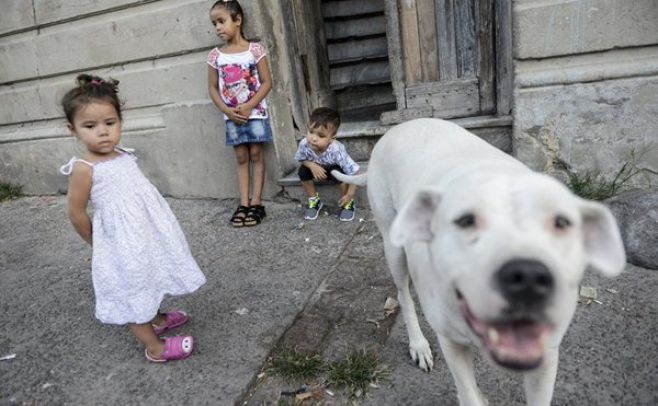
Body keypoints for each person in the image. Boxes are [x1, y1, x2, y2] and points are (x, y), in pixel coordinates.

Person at [59, 74, 207, 363]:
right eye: (90, 126)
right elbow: (76, 212)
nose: (102, 132)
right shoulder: (84, 168)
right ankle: (155, 347)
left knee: (148, 275)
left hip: (145, 235)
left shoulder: (125, 155)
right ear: (72, 129)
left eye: (109, 123)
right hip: (120, 244)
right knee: (132, 289)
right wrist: (98, 243)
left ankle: (157, 318)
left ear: (120, 122)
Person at [207, 0, 273, 228]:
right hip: (231, 116)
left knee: (256, 154)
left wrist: (249, 105)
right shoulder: (216, 56)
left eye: (221, 21)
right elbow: (213, 88)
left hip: (254, 114)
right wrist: (227, 111)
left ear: (237, 20)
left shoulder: (255, 50)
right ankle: (243, 203)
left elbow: (266, 83)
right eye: (214, 23)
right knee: (241, 157)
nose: (217, 27)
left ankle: (257, 203)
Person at [294, 107, 360, 222]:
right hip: (315, 170)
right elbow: (301, 158)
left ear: (332, 138)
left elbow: (355, 172)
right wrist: (311, 165)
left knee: (340, 174)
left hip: (333, 171)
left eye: (321, 135)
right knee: (302, 171)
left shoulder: (336, 149)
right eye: (311, 132)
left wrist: (350, 194)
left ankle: (347, 203)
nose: (313, 138)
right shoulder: (304, 143)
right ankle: (314, 200)